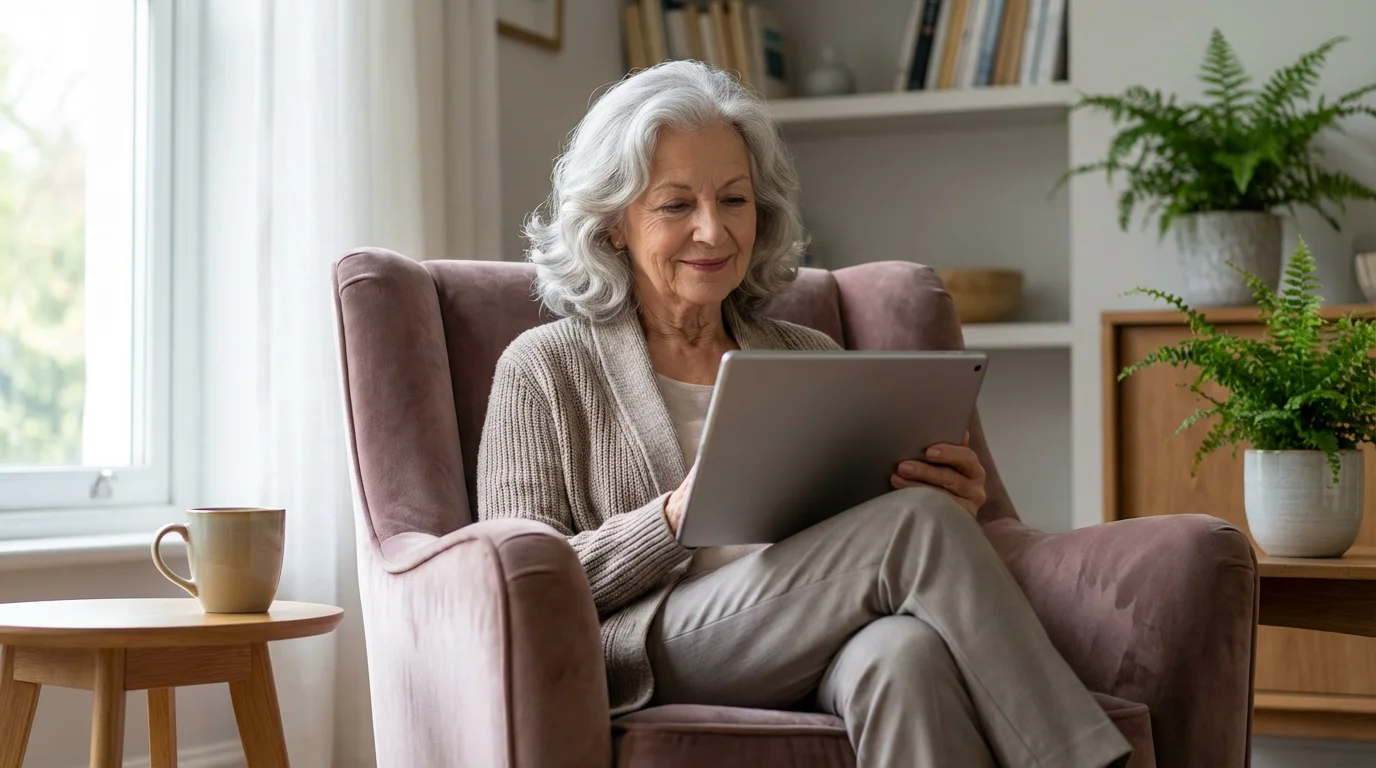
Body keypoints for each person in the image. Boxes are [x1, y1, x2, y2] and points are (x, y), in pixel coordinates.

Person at [477, 59, 1131, 768]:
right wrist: (671, 518)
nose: (713, 231)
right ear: (612, 225)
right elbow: (519, 585)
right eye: (675, 206)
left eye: (733, 200)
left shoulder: (804, 350)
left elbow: (860, 527)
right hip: (652, 646)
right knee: (914, 530)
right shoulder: (543, 366)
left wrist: (945, 497)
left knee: (905, 656)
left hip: (819, 627)